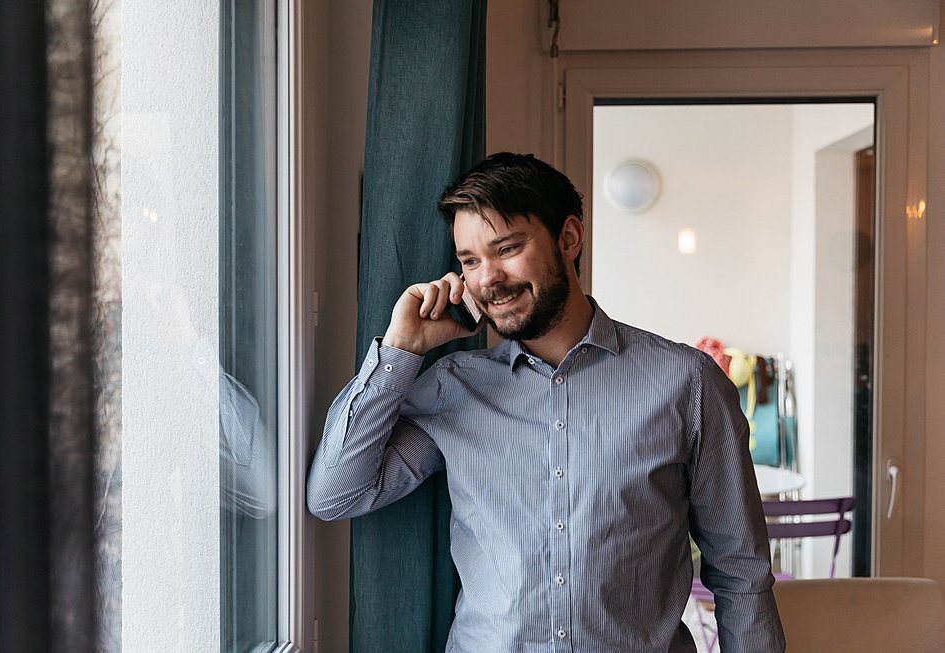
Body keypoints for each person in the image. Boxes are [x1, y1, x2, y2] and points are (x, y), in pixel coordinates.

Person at [307, 152, 785, 652]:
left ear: (569, 239)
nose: (487, 278)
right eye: (470, 261)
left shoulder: (687, 383)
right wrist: (400, 350)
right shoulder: (454, 387)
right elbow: (335, 494)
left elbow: (741, 572)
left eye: (507, 248)